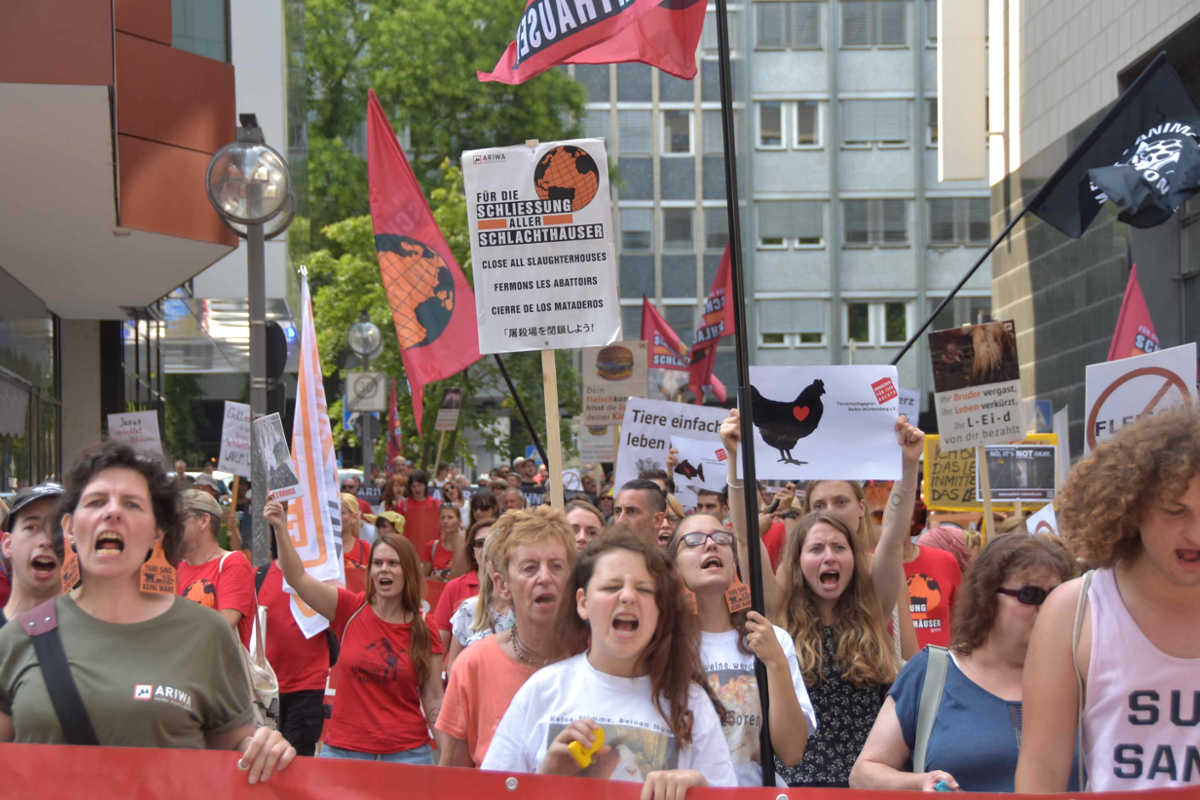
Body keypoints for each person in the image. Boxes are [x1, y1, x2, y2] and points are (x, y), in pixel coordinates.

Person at [0, 441, 293, 783]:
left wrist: (262, 747)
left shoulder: (205, 633)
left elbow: (235, 749)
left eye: (132, 504)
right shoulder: (19, 638)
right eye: (95, 502)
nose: (112, 513)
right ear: (69, 528)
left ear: (157, 530)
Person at [1016, 407, 1200, 792]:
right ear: (1132, 508)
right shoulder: (1074, 611)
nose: (1195, 534)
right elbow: (1040, 772)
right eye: (1175, 511)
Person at [482, 531, 737, 795]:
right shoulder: (543, 690)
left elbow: (727, 793)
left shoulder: (691, 703)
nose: (627, 597)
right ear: (583, 603)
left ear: (660, 610)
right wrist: (546, 783)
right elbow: (489, 792)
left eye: (644, 589)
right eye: (611, 587)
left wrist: (700, 790)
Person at [850, 534, 1075, 792]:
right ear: (987, 597)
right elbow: (864, 773)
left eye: (1057, 594)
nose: (1047, 606)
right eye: (1030, 594)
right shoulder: (932, 672)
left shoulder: (1084, 677)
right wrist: (919, 782)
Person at [769, 412, 924, 788]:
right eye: (816, 548)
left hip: (869, 788)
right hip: (797, 790)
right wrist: (736, 464)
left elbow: (892, 536)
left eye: (839, 547)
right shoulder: (779, 613)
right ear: (797, 560)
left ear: (855, 560)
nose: (828, 557)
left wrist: (908, 465)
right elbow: (743, 543)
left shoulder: (875, 604)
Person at [265, 499, 444, 763]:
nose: (384, 569)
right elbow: (297, 578)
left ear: (408, 572)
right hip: (344, 752)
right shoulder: (349, 608)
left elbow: (433, 699)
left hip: (408, 755)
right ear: (369, 570)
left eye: (393, 564)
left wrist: (449, 762)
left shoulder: (424, 625)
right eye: (378, 563)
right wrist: (281, 528)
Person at [671, 513, 816, 786]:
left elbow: (792, 752)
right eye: (693, 541)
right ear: (673, 566)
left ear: (734, 560)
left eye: (722, 538)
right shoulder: (663, 644)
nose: (711, 544)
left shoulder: (769, 638)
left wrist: (776, 663)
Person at [437, 506, 576, 767]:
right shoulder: (473, 665)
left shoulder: (596, 658)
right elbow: (453, 778)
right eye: (530, 568)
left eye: (556, 566)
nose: (544, 577)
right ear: (502, 585)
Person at [255, 539, 332, 756]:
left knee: (297, 762)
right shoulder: (258, 576)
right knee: (265, 757)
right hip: (267, 690)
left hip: (307, 689)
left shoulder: (324, 577)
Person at [176, 489, 255, 647]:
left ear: (203, 521)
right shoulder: (174, 568)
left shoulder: (232, 563)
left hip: (219, 669)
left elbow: (224, 625)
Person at [1, 482, 64, 622]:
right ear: (7, 545)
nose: (46, 541)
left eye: (58, 529)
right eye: (31, 527)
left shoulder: (96, 638)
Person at [432, 519, 493, 654]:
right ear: (472, 550)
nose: (487, 548)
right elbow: (439, 641)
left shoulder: (514, 587)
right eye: (480, 543)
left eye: (493, 542)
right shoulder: (454, 587)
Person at [902, 534, 962, 650]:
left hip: (939, 662)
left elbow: (962, 619)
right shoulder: (867, 564)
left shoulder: (945, 561)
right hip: (889, 663)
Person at [340, 493, 371, 595]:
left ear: (354, 517)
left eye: (341, 513)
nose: (335, 517)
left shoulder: (366, 548)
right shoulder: (321, 550)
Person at [423, 504, 462, 582]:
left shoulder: (466, 547)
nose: (445, 521)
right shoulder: (432, 546)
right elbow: (423, 578)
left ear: (459, 521)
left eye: (450, 517)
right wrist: (432, 579)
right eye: (442, 518)